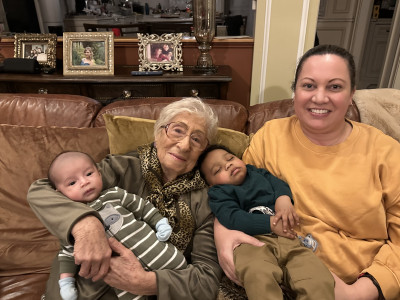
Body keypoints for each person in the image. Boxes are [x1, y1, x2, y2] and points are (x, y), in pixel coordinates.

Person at [214, 44, 400, 300]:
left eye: (334, 86)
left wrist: (362, 291)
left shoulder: (386, 152)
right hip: (275, 277)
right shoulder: (270, 136)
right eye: (309, 85)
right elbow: (236, 192)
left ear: (351, 94)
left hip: (352, 284)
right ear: (295, 92)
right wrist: (222, 232)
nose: (319, 98)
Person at [27, 97, 222, 300]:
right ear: (158, 133)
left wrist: (147, 283)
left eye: (197, 139)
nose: (183, 145)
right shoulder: (122, 167)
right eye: (178, 130)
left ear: (202, 152)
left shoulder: (205, 202)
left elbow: (206, 279)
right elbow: (41, 190)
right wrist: (86, 224)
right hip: (81, 289)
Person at [198, 144, 334, 299]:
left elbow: (278, 184)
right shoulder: (218, 193)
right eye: (218, 170)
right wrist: (270, 224)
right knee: (258, 273)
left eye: (230, 158)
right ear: (211, 184)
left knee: (317, 277)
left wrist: (283, 199)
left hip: (287, 239)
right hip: (251, 243)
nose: (228, 164)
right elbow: (232, 217)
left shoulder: (256, 171)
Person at [47, 151, 187, 300]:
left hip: (159, 253)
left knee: (181, 274)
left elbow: (141, 207)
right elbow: (67, 255)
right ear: (60, 193)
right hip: (121, 277)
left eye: (88, 174)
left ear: (99, 174)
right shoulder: (71, 222)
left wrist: (160, 222)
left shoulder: (115, 194)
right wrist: (66, 282)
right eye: (72, 182)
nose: (84, 182)